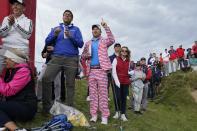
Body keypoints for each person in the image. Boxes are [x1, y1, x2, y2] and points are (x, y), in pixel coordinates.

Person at [42, 10, 84, 113]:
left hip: (71, 59)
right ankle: (47, 107)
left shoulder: (76, 29)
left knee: (70, 84)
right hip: (56, 57)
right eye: (65, 15)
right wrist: (55, 35)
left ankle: (69, 108)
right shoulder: (56, 29)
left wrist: (71, 36)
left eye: (69, 15)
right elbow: (47, 41)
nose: (67, 16)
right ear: (63, 17)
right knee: (46, 78)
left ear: (71, 18)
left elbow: (81, 44)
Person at [81, 19, 115, 125]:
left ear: (100, 31)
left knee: (103, 94)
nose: (95, 30)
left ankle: (105, 116)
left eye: (97, 29)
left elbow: (112, 39)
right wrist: (87, 55)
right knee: (93, 94)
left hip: (102, 70)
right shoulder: (88, 43)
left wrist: (105, 26)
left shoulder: (104, 41)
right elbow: (82, 56)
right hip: (91, 71)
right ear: (92, 32)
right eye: (93, 29)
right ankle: (94, 115)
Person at [0, 49, 37, 131]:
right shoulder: (10, 70)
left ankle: (16, 129)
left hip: (26, 107)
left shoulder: (23, 71)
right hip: (16, 103)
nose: (5, 61)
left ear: (14, 60)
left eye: (7, 58)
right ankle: (3, 124)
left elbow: (8, 91)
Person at [0, 0, 33, 74]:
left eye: (17, 4)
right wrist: (9, 25)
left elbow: (27, 35)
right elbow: (1, 34)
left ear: (24, 8)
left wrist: (15, 24)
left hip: (20, 50)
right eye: (13, 4)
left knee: (18, 74)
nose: (15, 6)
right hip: (6, 48)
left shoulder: (28, 21)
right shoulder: (6, 19)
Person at [112, 46, 131, 121]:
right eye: (122, 51)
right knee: (117, 97)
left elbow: (128, 71)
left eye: (125, 51)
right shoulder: (115, 59)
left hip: (125, 82)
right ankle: (117, 112)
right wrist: (117, 82)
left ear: (127, 53)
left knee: (123, 98)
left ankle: (123, 113)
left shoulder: (128, 61)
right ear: (120, 52)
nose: (124, 52)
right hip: (118, 81)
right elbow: (114, 72)